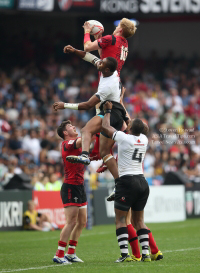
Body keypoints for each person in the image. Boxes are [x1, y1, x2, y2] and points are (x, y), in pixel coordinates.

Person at [53, 52, 129, 180]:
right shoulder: (110, 71)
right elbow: (92, 58)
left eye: (102, 62)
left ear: (106, 69)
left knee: (85, 130)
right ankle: (119, 182)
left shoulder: (107, 87)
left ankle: (84, 155)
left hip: (110, 112)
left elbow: (87, 105)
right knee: (105, 153)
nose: (99, 62)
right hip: (117, 115)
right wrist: (74, 50)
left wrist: (64, 105)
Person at [82, 18, 137, 171]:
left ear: (120, 29)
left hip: (108, 84)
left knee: (103, 114)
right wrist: (98, 39)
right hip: (116, 82)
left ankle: (104, 151)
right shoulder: (124, 43)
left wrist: (87, 32)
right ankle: (106, 150)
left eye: (118, 25)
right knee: (113, 113)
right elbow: (103, 54)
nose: (115, 27)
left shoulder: (111, 38)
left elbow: (87, 48)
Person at [101, 101, 152, 262]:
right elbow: (133, 125)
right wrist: (122, 105)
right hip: (142, 182)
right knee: (140, 221)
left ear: (129, 129)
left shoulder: (123, 138)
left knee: (120, 219)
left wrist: (108, 111)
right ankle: (146, 254)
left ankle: (125, 255)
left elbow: (106, 128)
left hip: (127, 181)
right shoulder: (144, 139)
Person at [53, 120, 87, 264]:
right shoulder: (67, 144)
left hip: (80, 186)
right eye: (70, 126)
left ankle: (71, 253)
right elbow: (83, 140)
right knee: (71, 221)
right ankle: (59, 254)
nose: (74, 126)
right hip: (70, 186)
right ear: (65, 133)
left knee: (82, 221)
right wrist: (91, 130)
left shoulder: (77, 143)